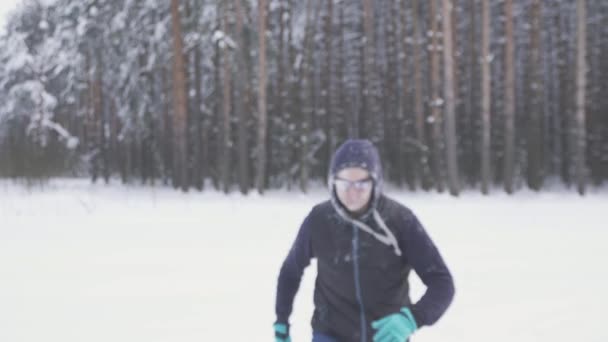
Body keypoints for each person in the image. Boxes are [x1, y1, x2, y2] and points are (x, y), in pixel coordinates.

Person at [273, 139, 455, 342]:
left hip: (385, 335)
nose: (352, 193)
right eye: (344, 183)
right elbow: (291, 271)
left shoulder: (400, 220)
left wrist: (411, 319)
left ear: (375, 183)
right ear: (333, 182)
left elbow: (442, 282)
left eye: (361, 184)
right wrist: (281, 322)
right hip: (330, 333)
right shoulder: (319, 220)